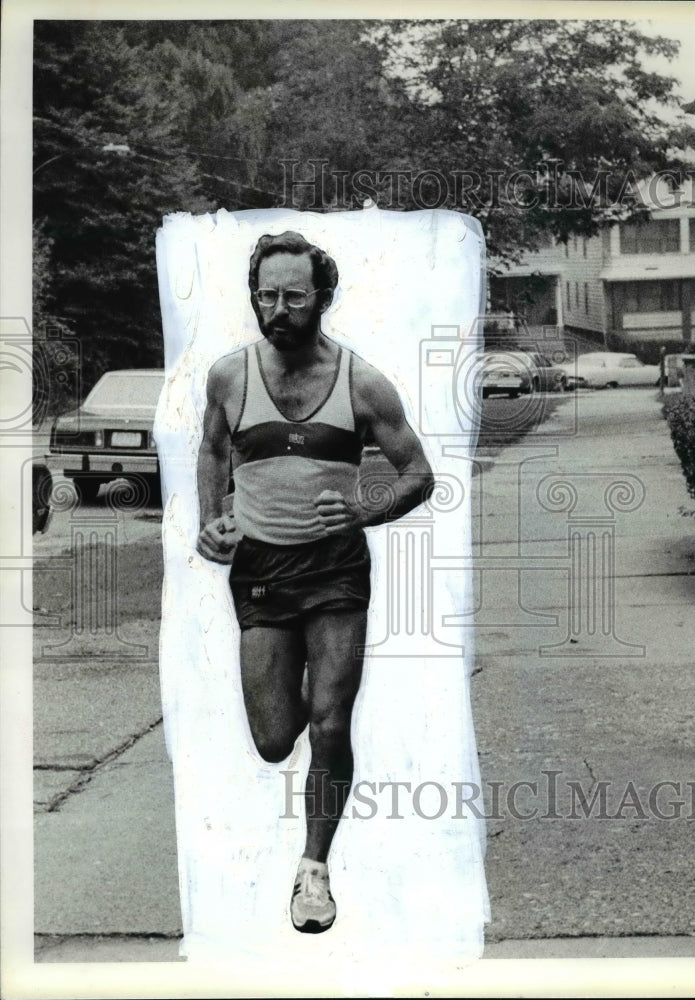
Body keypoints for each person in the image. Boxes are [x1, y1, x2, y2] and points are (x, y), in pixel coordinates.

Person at [196, 231, 435, 934]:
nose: (278, 308)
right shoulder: (229, 375)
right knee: (275, 739)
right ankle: (310, 690)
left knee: (329, 724)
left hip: (334, 567)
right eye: (265, 295)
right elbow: (211, 448)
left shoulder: (361, 381)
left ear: (320, 298)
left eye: (293, 296)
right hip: (262, 570)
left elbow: (419, 474)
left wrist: (365, 507)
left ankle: (313, 870)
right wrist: (211, 522)